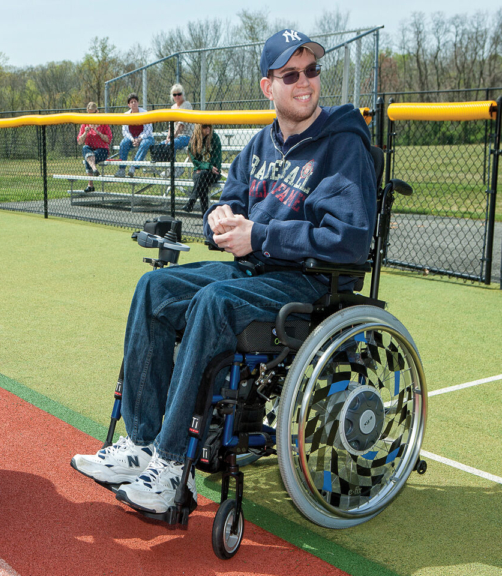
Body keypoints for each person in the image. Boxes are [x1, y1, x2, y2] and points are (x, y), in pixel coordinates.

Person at [72, 29, 377, 515]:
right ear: (267, 87)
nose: (305, 83)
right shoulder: (261, 145)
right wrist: (220, 218)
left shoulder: (343, 146)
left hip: (311, 282)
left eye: (312, 71)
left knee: (213, 303)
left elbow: (351, 238)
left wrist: (260, 236)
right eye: (291, 74)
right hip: (254, 273)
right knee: (154, 286)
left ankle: (173, 468)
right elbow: (230, 201)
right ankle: (144, 444)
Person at [149, 84, 193, 175]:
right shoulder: (173, 107)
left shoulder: (186, 105)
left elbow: (181, 125)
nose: (177, 96)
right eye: (174, 95)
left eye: (179, 94)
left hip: (187, 136)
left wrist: (171, 138)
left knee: (170, 144)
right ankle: (170, 167)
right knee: (162, 145)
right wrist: (168, 138)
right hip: (176, 136)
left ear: (183, 94)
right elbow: (171, 126)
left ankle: (176, 168)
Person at [183, 124, 222, 213]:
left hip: (213, 173)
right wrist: (207, 166)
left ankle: (192, 201)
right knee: (202, 181)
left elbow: (216, 160)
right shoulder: (194, 140)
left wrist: (206, 167)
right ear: (199, 128)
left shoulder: (215, 138)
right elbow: (195, 161)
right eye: (205, 126)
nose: (208, 128)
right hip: (199, 172)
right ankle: (205, 215)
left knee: (202, 176)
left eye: (209, 126)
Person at [115, 93, 153, 178]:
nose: (133, 103)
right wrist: (133, 140)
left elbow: (149, 130)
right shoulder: (126, 115)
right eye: (131, 102)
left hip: (145, 138)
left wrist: (139, 139)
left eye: (135, 101)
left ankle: (133, 166)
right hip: (132, 138)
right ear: (128, 105)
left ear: (138, 103)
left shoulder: (145, 113)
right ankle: (122, 169)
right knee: (123, 143)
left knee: (145, 143)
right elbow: (125, 132)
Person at [76, 102, 112, 193]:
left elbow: (108, 139)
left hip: (102, 150)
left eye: (93, 113)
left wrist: (98, 132)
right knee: (86, 150)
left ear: (97, 111)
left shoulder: (103, 122)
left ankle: (90, 185)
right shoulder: (85, 123)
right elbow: (80, 141)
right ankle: (95, 169)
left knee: (89, 157)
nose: (91, 115)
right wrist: (85, 133)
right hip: (90, 149)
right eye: (89, 113)